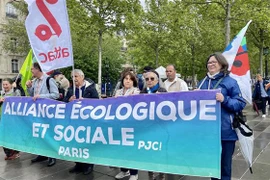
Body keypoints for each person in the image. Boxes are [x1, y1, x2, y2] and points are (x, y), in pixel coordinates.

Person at [197, 53, 246, 180]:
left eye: (214, 62)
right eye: (209, 62)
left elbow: (240, 103)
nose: (211, 64)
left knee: (224, 166)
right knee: (213, 165)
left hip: (225, 132)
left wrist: (225, 99)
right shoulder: (202, 82)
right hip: (207, 132)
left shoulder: (230, 82)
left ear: (221, 64)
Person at [64, 69, 99, 175]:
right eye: (72, 77)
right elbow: (64, 103)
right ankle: (78, 164)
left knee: (87, 143)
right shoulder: (71, 89)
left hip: (88, 121)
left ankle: (89, 165)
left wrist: (86, 102)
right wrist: (69, 100)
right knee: (75, 143)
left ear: (82, 77)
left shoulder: (91, 89)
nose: (74, 79)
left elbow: (97, 102)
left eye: (76, 76)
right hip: (75, 122)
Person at [26, 62, 59, 167]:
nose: (31, 71)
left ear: (37, 69)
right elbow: (33, 95)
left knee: (49, 133)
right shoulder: (35, 81)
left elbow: (56, 95)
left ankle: (52, 156)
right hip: (38, 112)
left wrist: (41, 96)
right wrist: (29, 87)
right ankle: (42, 154)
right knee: (40, 132)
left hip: (48, 113)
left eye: (32, 69)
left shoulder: (49, 80)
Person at [140, 70, 167, 180]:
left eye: (152, 78)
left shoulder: (162, 91)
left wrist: (161, 98)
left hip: (160, 127)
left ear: (157, 80)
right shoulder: (142, 92)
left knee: (160, 150)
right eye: (147, 79)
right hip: (147, 127)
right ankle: (150, 173)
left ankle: (162, 173)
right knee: (149, 151)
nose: (149, 81)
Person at [114, 71, 140, 180]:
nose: (127, 80)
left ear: (133, 81)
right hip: (119, 124)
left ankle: (134, 172)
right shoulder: (118, 92)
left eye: (130, 79)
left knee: (131, 149)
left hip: (131, 125)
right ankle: (124, 170)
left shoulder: (136, 91)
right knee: (121, 148)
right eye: (126, 78)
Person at [0, 78, 21, 160]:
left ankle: (15, 153)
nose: (5, 86)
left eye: (6, 84)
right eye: (3, 84)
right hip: (3, 118)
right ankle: (8, 153)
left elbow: (21, 103)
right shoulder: (1, 93)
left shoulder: (16, 92)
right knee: (4, 136)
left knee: (13, 136)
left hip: (13, 119)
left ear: (11, 84)